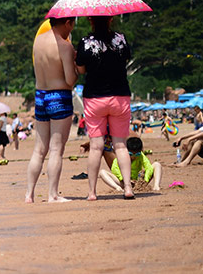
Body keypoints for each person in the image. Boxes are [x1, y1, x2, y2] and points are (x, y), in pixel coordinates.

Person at [76, 16, 134, 201]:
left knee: (96, 147)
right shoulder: (121, 39)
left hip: (94, 98)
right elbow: (124, 60)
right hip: (120, 96)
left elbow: (81, 70)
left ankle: (92, 192)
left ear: (91, 22)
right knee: (120, 145)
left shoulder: (85, 42)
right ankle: (127, 188)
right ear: (110, 21)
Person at [25, 16, 77, 203]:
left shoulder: (38, 40)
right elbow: (70, 80)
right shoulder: (65, 46)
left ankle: (29, 194)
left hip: (40, 96)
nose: (71, 29)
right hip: (59, 96)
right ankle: (53, 194)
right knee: (56, 149)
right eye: (72, 24)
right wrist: (77, 67)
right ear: (67, 23)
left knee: (39, 149)